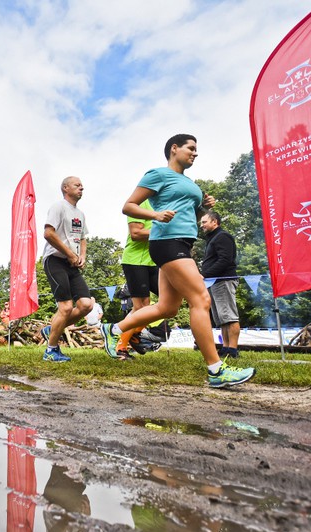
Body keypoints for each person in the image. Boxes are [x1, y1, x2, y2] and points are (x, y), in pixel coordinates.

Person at [101, 134, 254, 388]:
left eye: (196, 149)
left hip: (182, 243)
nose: (195, 153)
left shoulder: (189, 183)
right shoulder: (158, 174)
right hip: (167, 243)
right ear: (174, 149)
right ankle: (216, 370)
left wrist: (202, 205)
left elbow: (186, 213)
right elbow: (128, 206)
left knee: (167, 308)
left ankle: (114, 330)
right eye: (191, 148)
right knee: (201, 300)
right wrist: (155, 214)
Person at [39, 176, 93, 363]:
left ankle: (51, 329)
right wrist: (70, 253)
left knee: (86, 304)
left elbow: (84, 237)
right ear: (65, 188)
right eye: (77, 185)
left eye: (81, 185)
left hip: (71, 263)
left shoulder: (81, 214)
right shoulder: (58, 207)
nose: (82, 187)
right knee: (66, 307)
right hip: (54, 260)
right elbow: (48, 233)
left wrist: (82, 256)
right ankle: (51, 351)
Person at [112, 198, 160, 360]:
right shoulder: (139, 204)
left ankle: (135, 334)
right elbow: (136, 233)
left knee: (170, 302)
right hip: (135, 261)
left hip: (154, 261)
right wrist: (165, 231)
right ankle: (121, 346)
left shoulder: (163, 204)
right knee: (140, 307)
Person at [200, 210, 241, 358]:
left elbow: (225, 260)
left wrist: (204, 274)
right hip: (214, 282)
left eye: (204, 222)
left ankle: (233, 349)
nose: (201, 225)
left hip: (224, 280)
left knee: (229, 316)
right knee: (222, 319)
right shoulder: (212, 238)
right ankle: (225, 348)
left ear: (214, 222)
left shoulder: (222, 236)